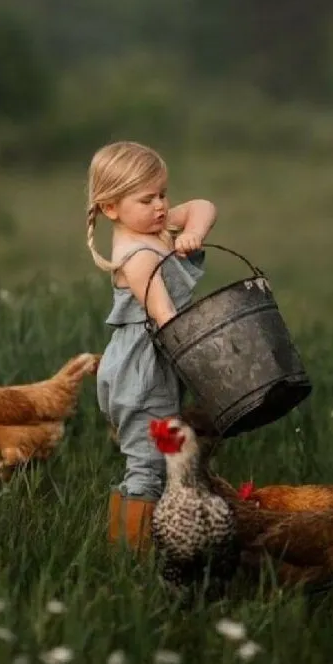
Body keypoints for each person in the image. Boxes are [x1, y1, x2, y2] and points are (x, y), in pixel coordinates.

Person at [86, 140, 217, 554]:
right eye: (147, 198)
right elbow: (166, 317)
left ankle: (134, 547)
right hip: (141, 372)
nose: (161, 205)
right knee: (148, 464)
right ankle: (132, 555)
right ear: (111, 208)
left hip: (152, 365)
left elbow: (203, 205)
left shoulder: (153, 227)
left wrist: (193, 231)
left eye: (163, 194)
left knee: (155, 458)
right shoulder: (138, 255)